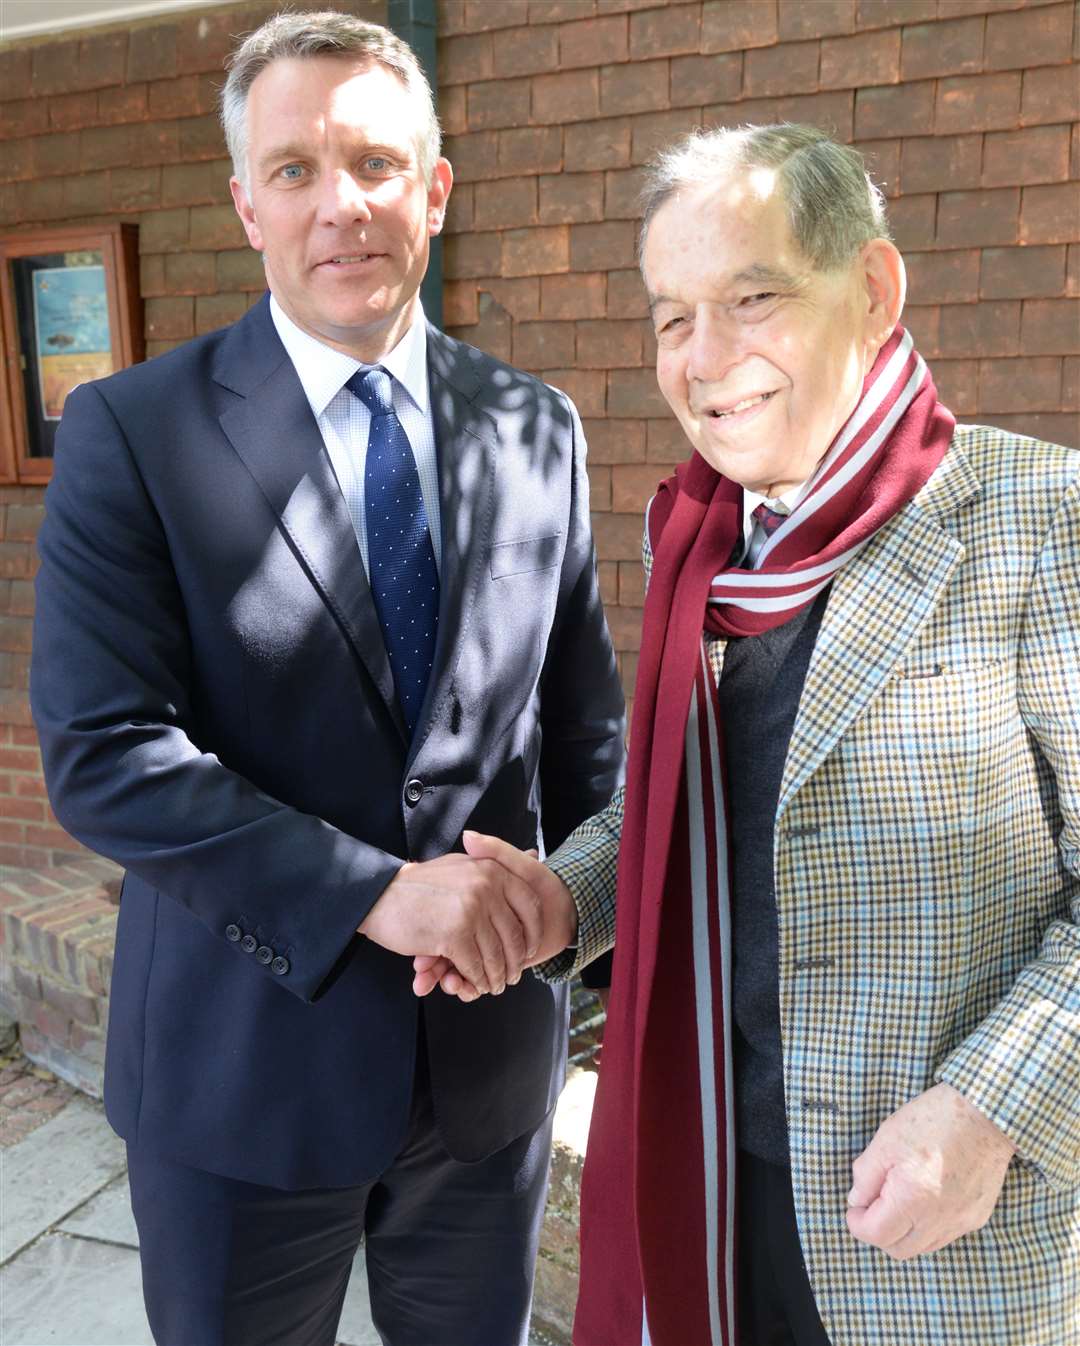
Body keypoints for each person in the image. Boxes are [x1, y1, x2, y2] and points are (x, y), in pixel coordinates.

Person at [422, 125, 1080, 1346]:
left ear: (874, 291)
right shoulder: (702, 549)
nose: (706, 357)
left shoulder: (1040, 521)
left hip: (939, 1227)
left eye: (751, 297)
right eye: (672, 316)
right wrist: (559, 899)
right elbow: (683, 814)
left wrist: (995, 1110)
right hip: (719, 1184)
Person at [29, 12, 624, 1346]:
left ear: (435, 188)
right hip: (241, 1078)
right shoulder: (134, 432)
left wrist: (572, 912)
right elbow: (104, 748)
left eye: (372, 162)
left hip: (488, 1075)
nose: (340, 205)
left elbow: (588, 734)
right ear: (246, 205)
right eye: (294, 169)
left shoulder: (536, 426)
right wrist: (379, 895)